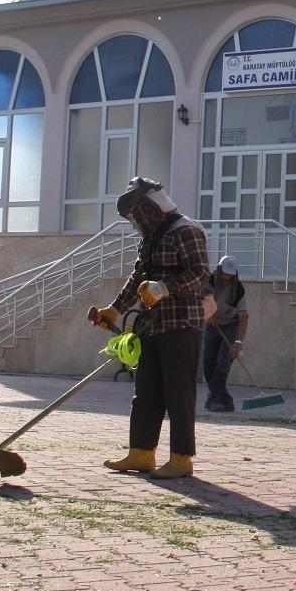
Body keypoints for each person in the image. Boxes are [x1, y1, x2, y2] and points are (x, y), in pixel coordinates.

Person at [88, 177, 209, 480]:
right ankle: (141, 453)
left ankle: (181, 458)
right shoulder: (150, 238)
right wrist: (114, 310)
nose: (136, 221)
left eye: (138, 213)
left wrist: (165, 287)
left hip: (181, 324)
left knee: (178, 393)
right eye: (132, 217)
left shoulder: (186, 230)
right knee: (145, 392)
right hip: (151, 325)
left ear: (153, 206)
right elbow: (137, 278)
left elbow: (200, 274)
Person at [202, 255, 249, 413]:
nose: (227, 277)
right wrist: (208, 314)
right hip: (212, 325)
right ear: (219, 270)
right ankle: (227, 400)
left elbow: (243, 317)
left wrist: (238, 342)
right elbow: (198, 300)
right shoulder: (208, 282)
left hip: (231, 325)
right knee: (208, 366)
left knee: (223, 363)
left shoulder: (239, 290)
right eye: (224, 274)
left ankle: (213, 400)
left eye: (230, 275)